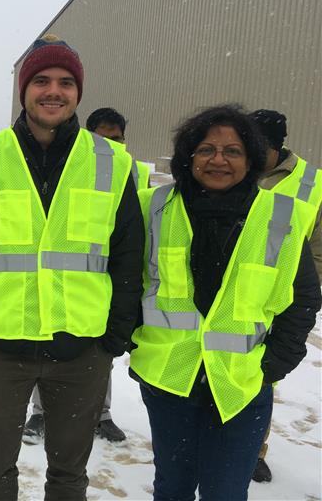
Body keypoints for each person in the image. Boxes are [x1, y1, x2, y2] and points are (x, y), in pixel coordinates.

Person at [0, 35, 144, 500]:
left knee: (69, 471)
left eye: (66, 82)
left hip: (82, 351)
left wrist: (114, 338)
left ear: (78, 92)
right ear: (23, 89)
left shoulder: (111, 162)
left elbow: (129, 253)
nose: (53, 91)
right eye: (41, 80)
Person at [130, 104, 321, 501]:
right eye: (206, 149)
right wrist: (135, 341)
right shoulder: (152, 206)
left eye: (233, 151)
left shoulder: (281, 216)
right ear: (188, 157)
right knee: (172, 489)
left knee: (225, 494)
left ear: (250, 158)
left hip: (242, 385)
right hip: (169, 381)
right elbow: (127, 281)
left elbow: (302, 298)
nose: (219, 159)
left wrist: (275, 364)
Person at [22, 106, 143, 446]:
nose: (111, 145)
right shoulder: (72, 167)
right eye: (104, 138)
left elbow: (131, 237)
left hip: (95, 287)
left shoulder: (130, 171)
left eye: (118, 139)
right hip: (53, 282)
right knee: (40, 348)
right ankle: (40, 411)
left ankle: (101, 415)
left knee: (96, 360)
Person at [246, 108, 322, 484]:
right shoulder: (237, 168)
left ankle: (254, 448)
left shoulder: (312, 182)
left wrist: (302, 293)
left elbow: (318, 250)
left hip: (282, 295)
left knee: (264, 376)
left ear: (277, 147)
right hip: (236, 290)